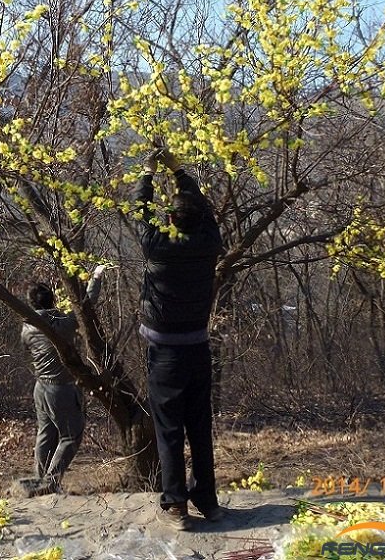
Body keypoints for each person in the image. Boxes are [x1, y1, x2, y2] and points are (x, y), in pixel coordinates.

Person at [135, 147, 225, 530]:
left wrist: (148, 173)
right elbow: (204, 211)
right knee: (199, 426)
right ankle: (207, 498)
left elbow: (140, 210)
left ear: (169, 219)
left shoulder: (158, 246)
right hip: (198, 349)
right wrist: (179, 171)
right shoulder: (208, 243)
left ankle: (176, 505)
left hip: (166, 353)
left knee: (169, 428)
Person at [21, 270, 102, 495]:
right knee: (71, 435)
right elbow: (85, 306)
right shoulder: (61, 325)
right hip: (61, 389)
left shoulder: (26, 328)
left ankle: (38, 480)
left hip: (40, 388)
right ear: (52, 300)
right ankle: (50, 482)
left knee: (46, 433)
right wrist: (95, 279)